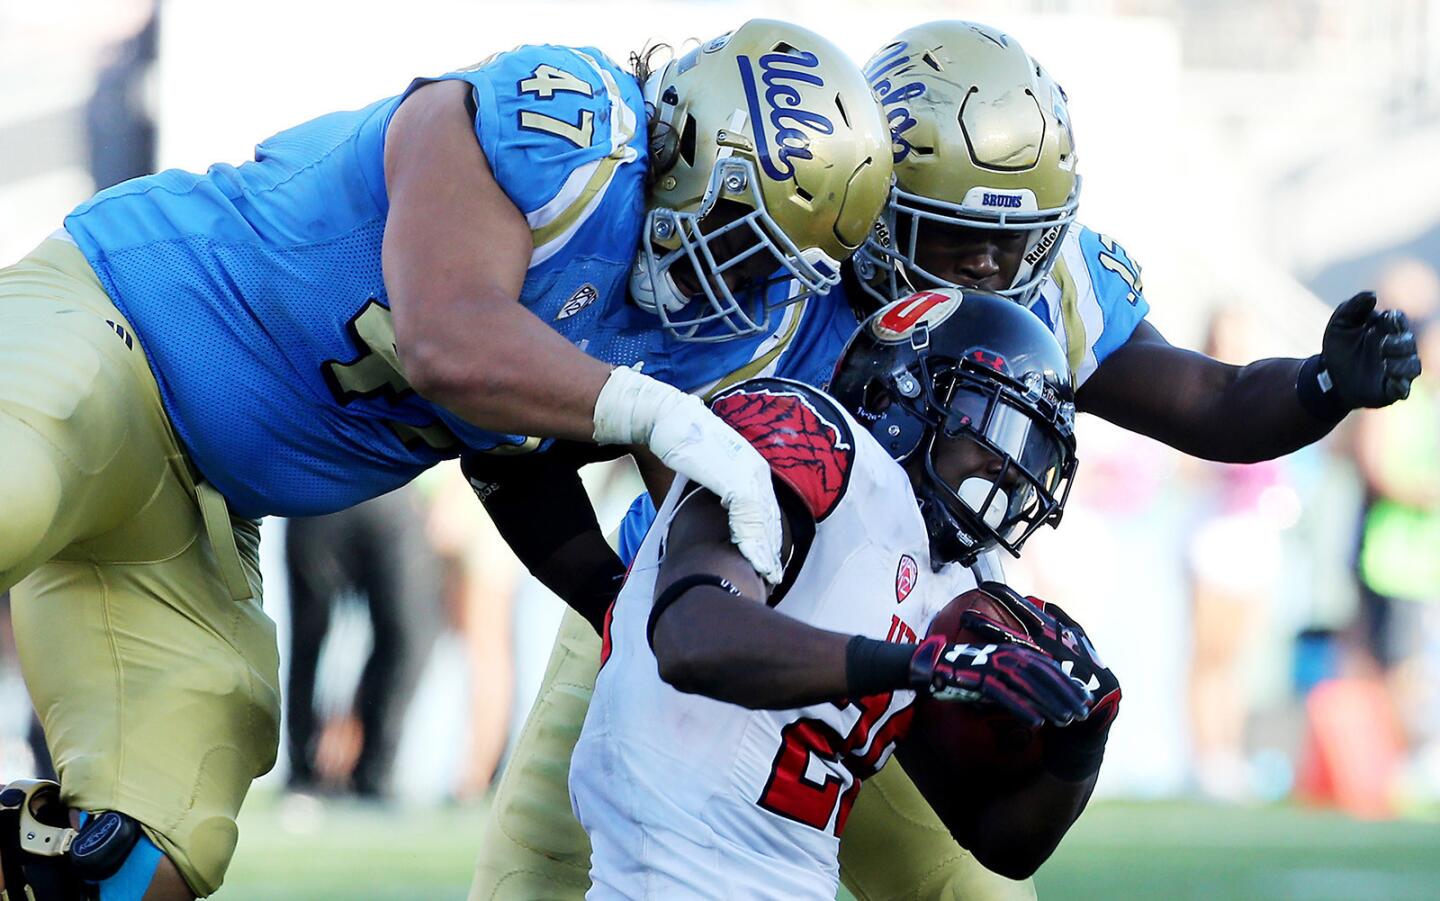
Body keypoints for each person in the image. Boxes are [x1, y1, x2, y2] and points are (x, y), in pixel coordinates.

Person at [470, 19, 1423, 901]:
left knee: (967, 889)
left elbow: (1203, 399)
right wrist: (609, 597)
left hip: (905, 622)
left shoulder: (1051, 281)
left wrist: (1320, 385)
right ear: (872, 203)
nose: (989, 273)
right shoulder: (785, 245)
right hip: (697, 585)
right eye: (958, 241)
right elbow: (542, 433)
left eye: (1014, 247)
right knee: (542, 869)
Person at [0, 18, 891, 899]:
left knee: (145, 856)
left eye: (766, 267)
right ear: (693, 147)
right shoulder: (565, 131)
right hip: (108, 326)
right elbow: (446, 338)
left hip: (193, 511)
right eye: (737, 236)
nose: (734, 284)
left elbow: (512, 465)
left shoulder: (680, 327)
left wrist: (625, 610)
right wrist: (657, 414)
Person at [572, 289, 1119, 898]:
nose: (1012, 470)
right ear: (897, 394)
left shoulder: (953, 580)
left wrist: (1080, 740)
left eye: (1033, 451)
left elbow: (1002, 845)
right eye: (998, 425)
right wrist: (923, 666)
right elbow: (691, 638)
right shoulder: (809, 434)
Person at [283, 485, 443, 799]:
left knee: (406, 634)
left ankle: (375, 772)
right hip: (319, 482)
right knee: (309, 633)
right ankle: (303, 769)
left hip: (401, 492)